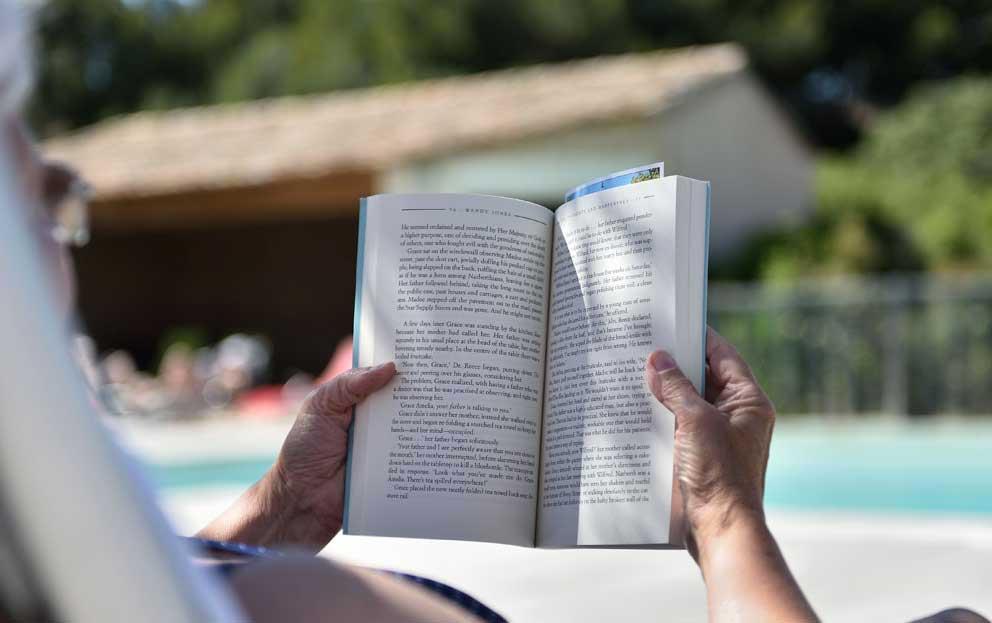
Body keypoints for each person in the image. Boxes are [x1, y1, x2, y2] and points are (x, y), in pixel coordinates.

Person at [2, 3, 988, 622]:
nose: (66, 239)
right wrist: (725, 519)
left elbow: (167, 584)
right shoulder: (289, 603)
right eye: (49, 203)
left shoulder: (66, 557)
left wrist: (281, 508)